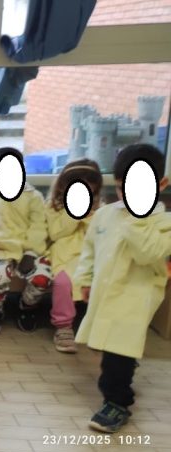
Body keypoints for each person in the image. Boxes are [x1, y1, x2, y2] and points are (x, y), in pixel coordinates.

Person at [75, 144, 171, 433]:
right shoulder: (105, 216)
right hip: (105, 291)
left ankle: (117, 402)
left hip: (137, 295)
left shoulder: (163, 223)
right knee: (107, 345)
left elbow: (147, 253)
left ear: (161, 184)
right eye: (121, 189)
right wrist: (86, 278)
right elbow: (90, 249)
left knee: (119, 350)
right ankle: (122, 372)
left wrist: (137, 219)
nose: (127, 196)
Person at [0, 147, 51, 335]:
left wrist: (30, 252)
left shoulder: (33, 196)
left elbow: (38, 227)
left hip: (27, 251)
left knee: (42, 278)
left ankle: (27, 308)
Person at [44, 159, 103, 353]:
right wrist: (75, 213)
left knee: (102, 281)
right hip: (63, 254)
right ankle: (63, 326)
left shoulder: (101, 209)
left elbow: (100, 233)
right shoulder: (54, 207)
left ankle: (99, 326)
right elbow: (55, 233)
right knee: (63, 283)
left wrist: (89, 216)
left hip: (91, 254)